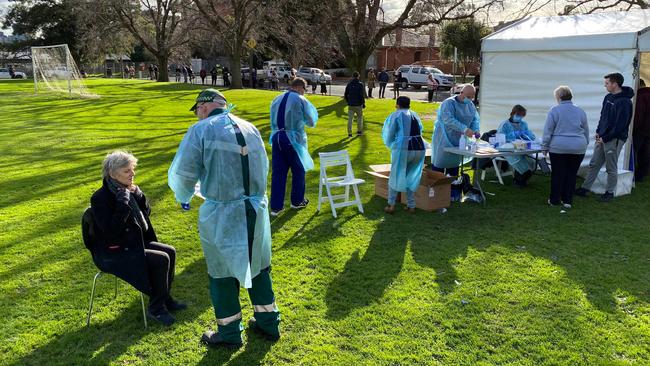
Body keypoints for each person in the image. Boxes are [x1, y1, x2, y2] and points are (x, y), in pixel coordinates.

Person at [168, 89, 280, 348]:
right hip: (255, 209)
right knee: (258, 266)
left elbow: (184, 173)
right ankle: (268, 323)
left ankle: (229, 334)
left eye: (197, 109)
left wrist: (183, 194)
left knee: (222, 273)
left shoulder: (201, 131)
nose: (197, 115)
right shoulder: (250, 128)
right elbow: (263, 166)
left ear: (205, 107)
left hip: (223, 214)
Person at [91, 151, 185, 326]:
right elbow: (111, 232)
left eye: (132, 169)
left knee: (170, 251)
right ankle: (156, 308)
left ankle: (164, 298)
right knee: (161, 259)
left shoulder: (127, 190)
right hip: (114, 250)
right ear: (112, 174)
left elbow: (145, 216)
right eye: (127, 171)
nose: (132, 174)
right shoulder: (100, 198)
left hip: (132, 242)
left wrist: (140, 197)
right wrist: (122, 204)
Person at [575, 73, 634, 202]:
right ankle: (585, 188)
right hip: (602, 137)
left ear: (615, 84)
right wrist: (598, 132)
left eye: (607, 83)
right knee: (594, 163)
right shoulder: (608, 97)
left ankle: (609, 192)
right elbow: (603, 116)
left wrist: (606, 137)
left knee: (611, 167)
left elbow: (621, 125)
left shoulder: (624, 102)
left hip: (614, 139)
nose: (605, 85)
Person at [269, 77, 319, 216]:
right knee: (299, 169)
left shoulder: (276, 99)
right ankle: (297, 200)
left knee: (278, 173)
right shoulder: (300, 99)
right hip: (293, 139)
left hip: (277, 137)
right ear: (301, 88)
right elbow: (311, 121)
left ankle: (276, 207)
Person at [542, 86, 589, 208]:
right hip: (578, 146)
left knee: (558, 174)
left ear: (558, 97)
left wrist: (545, 146)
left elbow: (548, 131)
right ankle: (567, 200)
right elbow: (586, 130)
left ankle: (554, 200)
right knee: (571, 173)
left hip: (559, 147)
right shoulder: (580, 111)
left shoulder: (554, 110)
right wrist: (585, 143)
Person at [382, 96, 426, 214]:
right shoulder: (415, 115)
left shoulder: (396, 115)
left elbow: (390, 133)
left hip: (403, 149)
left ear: (397, 105)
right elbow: (421, 130)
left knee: (395, 175)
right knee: (410, 177)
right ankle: (411, 205)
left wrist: (390, 144)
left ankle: (391, 205)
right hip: (420, 149)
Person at [431, 85, 480, 177]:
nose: (470, 99)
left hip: (458, 140)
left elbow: (474, 120)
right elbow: (448, 119)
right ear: (461, 93)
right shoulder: (449, 103)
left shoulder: (470, 105)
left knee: (453, 169)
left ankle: (453, 190)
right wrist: (464, 129)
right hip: (443, 139)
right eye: (468, 96)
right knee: (438, 170)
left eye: (472, 97)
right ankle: (437, 191)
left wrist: (475, 130)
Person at [496, 105, 537, 187]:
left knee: (532, 161)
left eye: (522, 116)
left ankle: (522, 178)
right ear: (512, 113)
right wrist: (513, 135)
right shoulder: (504, 125)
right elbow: (500, 139)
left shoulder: (523, 124)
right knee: (518, 160)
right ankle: (519, 180)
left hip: (521, 147)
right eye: (518, 115)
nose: (520, 117)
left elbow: (531, 137)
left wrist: (527, 135)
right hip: (507, 148)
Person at [634, 79, 650, 181]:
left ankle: (635, 174)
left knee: (635, 151)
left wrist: (634, 128)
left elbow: (639, 115)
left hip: (641, 129)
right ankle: (643, 172)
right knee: (646, 152)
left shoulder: (641, 95)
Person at [344, 71, 365, 137]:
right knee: (359, 119)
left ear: (353, 76)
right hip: (358, 104)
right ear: (358, 76)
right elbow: (361, 95)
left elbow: (346, 94)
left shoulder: (349, 84)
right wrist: (363, 103)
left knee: (350, 119)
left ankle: (349, 133)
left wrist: (348, 101)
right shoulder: (360, 84)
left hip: (351, 104)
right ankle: (359, 131)